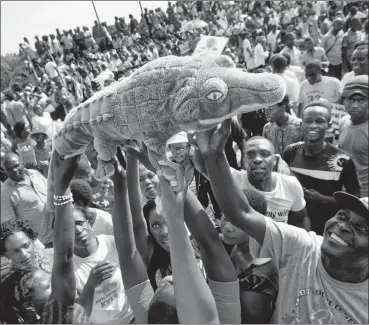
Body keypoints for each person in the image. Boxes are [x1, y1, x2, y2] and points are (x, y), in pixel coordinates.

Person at [194, 120, 368, 324]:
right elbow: (241, 213)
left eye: (362, 228)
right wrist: (213, 154)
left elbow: (301, 216)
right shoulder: (304, 248)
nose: (344, 226)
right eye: (342, 216)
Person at [193, 135, 310, 230]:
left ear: (274, 160)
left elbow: (301, 219)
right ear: (243, 161)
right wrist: (198, 146)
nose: (258, 159)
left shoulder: (290, 184)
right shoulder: (233, 179)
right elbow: (204, 167)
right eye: (250, 155)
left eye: (265, 154)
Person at [283, 100, 360, 235]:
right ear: (301, 124)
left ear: (329, 125)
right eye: (308, 121)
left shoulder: (343, 160)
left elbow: (354, 199)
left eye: (319, 121)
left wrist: (322, 198)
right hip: (294, 228)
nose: (313, 126)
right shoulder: (291, 152)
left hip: (326, 230)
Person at [1, 153, 51, 244]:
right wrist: (32, 243)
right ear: (4, 171)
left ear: (22, 163)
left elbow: (51, 191)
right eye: (9, 169)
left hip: (60, 229)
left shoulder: (34, 173)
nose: (14, 170)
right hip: (42, 241)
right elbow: (10, 225)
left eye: (16, 165)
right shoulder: (5, 192)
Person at [339, 75, 368, 198]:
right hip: (345, 191)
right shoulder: (343, 122)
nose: (355, 105)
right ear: (344, 101)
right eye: (351, 100)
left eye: (361, 100)